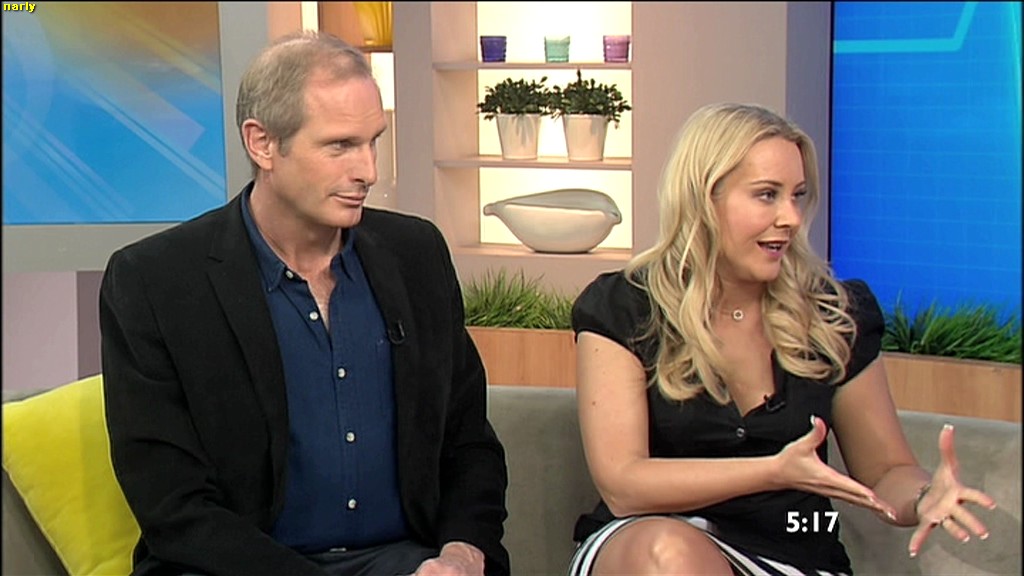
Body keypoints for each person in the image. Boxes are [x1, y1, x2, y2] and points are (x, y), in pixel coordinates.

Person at [100, 31, 509, 576]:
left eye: (372, 141)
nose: (368, 171)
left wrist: (460, 554)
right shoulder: (155, 281)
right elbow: (172, 505)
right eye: (339, 146)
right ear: (262, 144)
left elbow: (469, 443)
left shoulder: (416, 255)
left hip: (404, 562)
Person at [566, 102, 997, 576]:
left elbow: (885, 472)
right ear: (705, 199)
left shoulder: (834, 314)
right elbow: (624, 485)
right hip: (647, 544)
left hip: (792, 552)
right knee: (669, 552)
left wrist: (922, 496)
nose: (791, 217)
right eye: (767, 195)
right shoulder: (624, 306)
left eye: (798, 196)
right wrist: (773, 470)